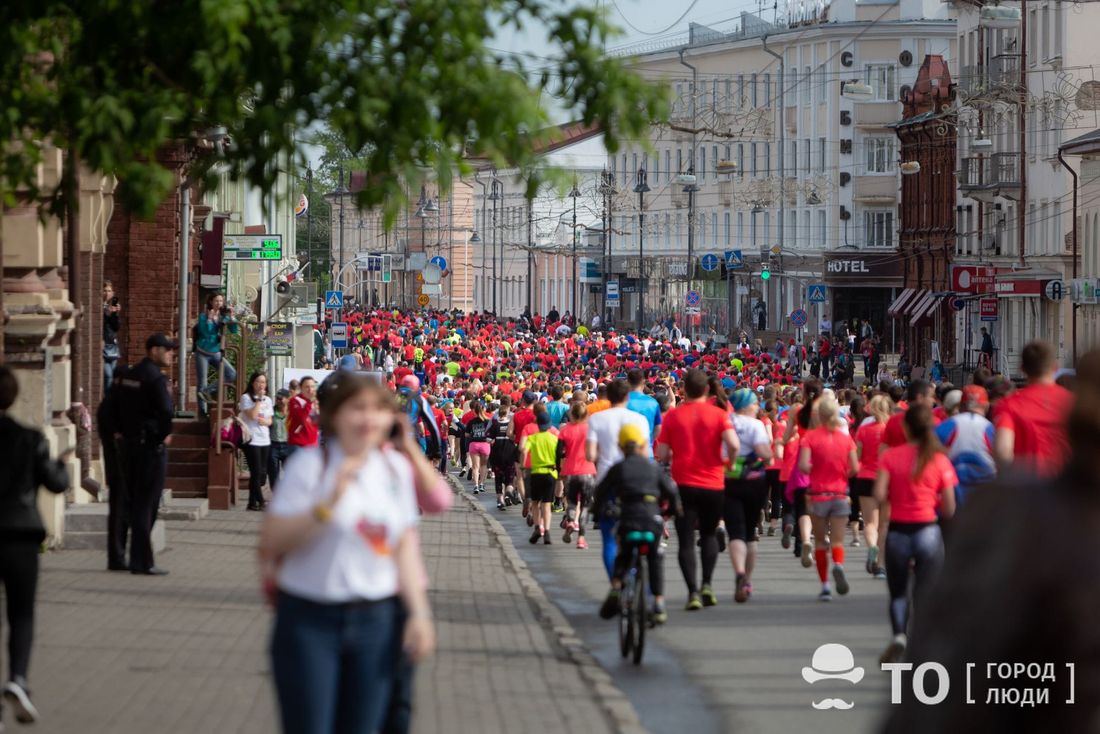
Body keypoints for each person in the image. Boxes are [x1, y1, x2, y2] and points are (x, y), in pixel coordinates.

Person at [260, 374, 436, 734]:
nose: (368, 418)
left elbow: (402, 546)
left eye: (377, 409)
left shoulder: (394, 470)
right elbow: (272, 541)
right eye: (357, 408)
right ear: (335, 416)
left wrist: (418, 614)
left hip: (376, 621)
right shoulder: (310, 466)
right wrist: (328, 503)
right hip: (310, 619)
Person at [0, 365, 70, 725]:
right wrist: (60, 466)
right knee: (21, 612)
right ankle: (18, 679)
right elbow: (56, 483)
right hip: (21, 534)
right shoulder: (29, 438)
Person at [874, 404, 957, 664]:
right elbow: (950, 507)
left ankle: (900, 634)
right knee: (926, 591)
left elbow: (879, 494)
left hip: (898, 530)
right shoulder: (940, 459)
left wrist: (895, 496)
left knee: (899, 592)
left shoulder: (891, 457)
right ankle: (922, 641)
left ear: (906, 428)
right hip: (928, 531)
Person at [656, 369, 739, 611]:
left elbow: (662, 453)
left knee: (685, 541)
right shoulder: (719, 414)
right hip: (714, 483)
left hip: (684, 484)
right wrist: (730, 463)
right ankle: (707, 585)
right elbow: (734, 444)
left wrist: (674, 454)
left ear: (683, 389)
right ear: (706, 389)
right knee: (709, 535)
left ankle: (692, 591)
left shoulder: (673, 416)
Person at [595, 423, 681, 625]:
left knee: (623, 552)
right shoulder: (653, 468)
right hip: (651, 519)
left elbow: (600, 493)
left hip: (628, 518)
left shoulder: (618, 468)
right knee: (655, 558)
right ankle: (658, 602)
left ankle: (616, 587)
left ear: (620, 446)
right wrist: (671, 512)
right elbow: (671, 492)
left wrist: (597, 511)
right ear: (643, 445)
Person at [115, 333, 176, 575]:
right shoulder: (155, 378)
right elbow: (166, 412)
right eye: (167, 349)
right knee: (147, 505)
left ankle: (137, 559)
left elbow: (117, 405)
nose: (171, 353)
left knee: (136, 503)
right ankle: (143, 561)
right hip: (150, 447)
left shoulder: (130, 375)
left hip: (129, 445)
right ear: (153, 350)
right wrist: (162, 435)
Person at [587, 379, 651, 580]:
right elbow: (645, 454)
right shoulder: (639, 419)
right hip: (635, 480)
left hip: (607, 480)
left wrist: (602, 454)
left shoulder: (596, 419)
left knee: (609, 538)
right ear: (627, 396)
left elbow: (590, 455)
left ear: (608, 397)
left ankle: (616, 583)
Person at [798, 394, 859, 601]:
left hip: (818, 494)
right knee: (838, 540)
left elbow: (803, 466)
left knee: (820, 541)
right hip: (840, 494)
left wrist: (817, 470)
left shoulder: (810, 438)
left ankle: (825, 585)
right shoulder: (845, 439)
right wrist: (841, 473)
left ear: (819, 416)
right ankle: (838, 564)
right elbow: (855, 467)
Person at [993, 340, 1073, 478]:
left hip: (1026, 483)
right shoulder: (1073, 402)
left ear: (1022, 368)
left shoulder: (1009, 405)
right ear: (1055, 367)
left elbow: (1003, 451)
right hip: (1066, 482)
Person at [725, 389, 773, 603]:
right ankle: (747, 580)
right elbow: (764, 453)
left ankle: (738, 571)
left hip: (728, 478)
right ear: (746, 405)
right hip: (753, 482)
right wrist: (770, 454)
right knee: (750, 533)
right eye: (754, 403)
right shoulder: (755, 425)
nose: (757, 407)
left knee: (735, 532)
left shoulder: (725, 422)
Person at [935, 384, 996, 507]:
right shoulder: (990, 428)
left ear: (961, 405)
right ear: (986, 406)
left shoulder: (948, 425)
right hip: (985, 497)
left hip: (953, 496)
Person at [854, 394, 891, 578]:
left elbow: (858, 456)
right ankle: (881, 565)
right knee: (884, 525)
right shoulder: (891, 429)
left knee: (870, 523)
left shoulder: (863, 430)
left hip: (866, 476)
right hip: (887, 479)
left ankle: (872, 548)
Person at [558, 402, 597, 549]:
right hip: (587, 470)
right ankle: (581, 538)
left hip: (570, 471)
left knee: (572, 502)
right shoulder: (590, 430)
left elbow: (558, 452)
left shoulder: (565, 430)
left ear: (572, 414)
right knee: (585, 505)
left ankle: (570, 521)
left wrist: (557, 467)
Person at [193, 293, 239, 413]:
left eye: (221, 301)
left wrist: (232, 317)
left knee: (231, 374)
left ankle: (207, 391)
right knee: (202, 381)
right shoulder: (203, 316)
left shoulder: (223, 316)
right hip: (202, 351)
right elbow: (205, 332)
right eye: (216, 301)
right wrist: (210, 319)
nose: (219, 303)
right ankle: (202, 411)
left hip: (216, 351)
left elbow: (234, 330)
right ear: (211, 302)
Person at [521, 409, 559, 545]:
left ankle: (537, 527)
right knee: (547, 504)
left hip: (536, 472)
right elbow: (560, 454)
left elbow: (524, 450)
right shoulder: (554, 438)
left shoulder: (533, 438)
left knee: (535, 502)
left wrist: (523, 466)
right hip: (550, 473)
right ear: (549, 425)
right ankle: (546, 531)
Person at [239, 372, 275, 511]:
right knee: (256, 471)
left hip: (264, 439)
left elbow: (270, 420)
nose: (261, 385)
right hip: (251, 439)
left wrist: (265, 421)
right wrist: (259, 400)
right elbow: (252, 415)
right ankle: (261, 501)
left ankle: (252, 502)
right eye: (258, 382)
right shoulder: (246, 398)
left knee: (261, 473)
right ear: (253, 383)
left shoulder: (268, 400)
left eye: (263, 382)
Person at [464, 401, 493, 495]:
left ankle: (476, 485)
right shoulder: (488, 421)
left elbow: (466, 434)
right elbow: (492, 433)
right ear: (483, 410)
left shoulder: (471, 422)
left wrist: (473, 434)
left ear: (474, 411)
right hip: (485, 444)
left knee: (475, 467)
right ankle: (481, 484)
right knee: (484, 465)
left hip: (474, 444)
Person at [287, 375, 319, 456]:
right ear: (301, 388)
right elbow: (301, 419)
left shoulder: (316, 402)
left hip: (313, 445)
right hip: (297, 445)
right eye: (307, 387)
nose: (310, 389)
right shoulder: (294, 401)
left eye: (312, 387)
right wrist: (309, 402)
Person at [268, 389, 292, 491]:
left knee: (290, 472)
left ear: (287, 399)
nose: (278, 401)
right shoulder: (271, 411)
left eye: (280, 398)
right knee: (273, 473)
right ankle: (276, 493)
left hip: (288, 445)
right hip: (273, 445)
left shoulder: (292, 412)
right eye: (277, 398)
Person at [102, 280, 122, 390]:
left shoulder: (111, 308)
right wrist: (107, 312)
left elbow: (116, 327)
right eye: (105, 290)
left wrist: (115, 314)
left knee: (112, 376)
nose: (107, 293)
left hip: (112, 346)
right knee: (108, 376)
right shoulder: (99, 308)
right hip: (103, 345)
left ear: (113, 293)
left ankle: (110, 397)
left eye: (109, 291)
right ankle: (108, 398)